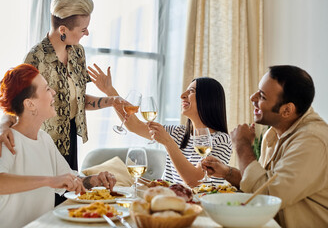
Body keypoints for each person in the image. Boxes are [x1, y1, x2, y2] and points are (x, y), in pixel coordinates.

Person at [201, 65, 328, 227]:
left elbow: (265, 198)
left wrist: (242, 145)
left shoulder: (312, 140)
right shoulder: (274, 134)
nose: (252, 98)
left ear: (287, 110)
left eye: (262, 96)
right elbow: (263, 183)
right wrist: (228, 172)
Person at [0, 0, 118, 170]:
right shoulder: (36, 57)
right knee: (48, 196)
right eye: (83, 29)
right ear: (63, 30)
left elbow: (78, 100)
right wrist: (2, 125)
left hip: (70, 136)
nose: (87, 33)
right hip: (42, 141)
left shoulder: (77, 52)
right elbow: (17, 99)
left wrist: (113, 101)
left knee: (70, 194)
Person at [0, 64, 116, 228]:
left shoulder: (44, 139)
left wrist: (95, 180)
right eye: (46, 89)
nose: (53, 92)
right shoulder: (8, 140)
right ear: (30, 104)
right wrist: (48, 180)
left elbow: (71, 181)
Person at [89, 66, 232, 188]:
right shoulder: (177, 132)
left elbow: (195, 182)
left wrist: (168, 142)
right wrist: (110, 91)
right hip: (166, 202)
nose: (182, 96)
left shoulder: (221, 140)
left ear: (208, 99)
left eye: (191, 92)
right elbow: (134, 125)